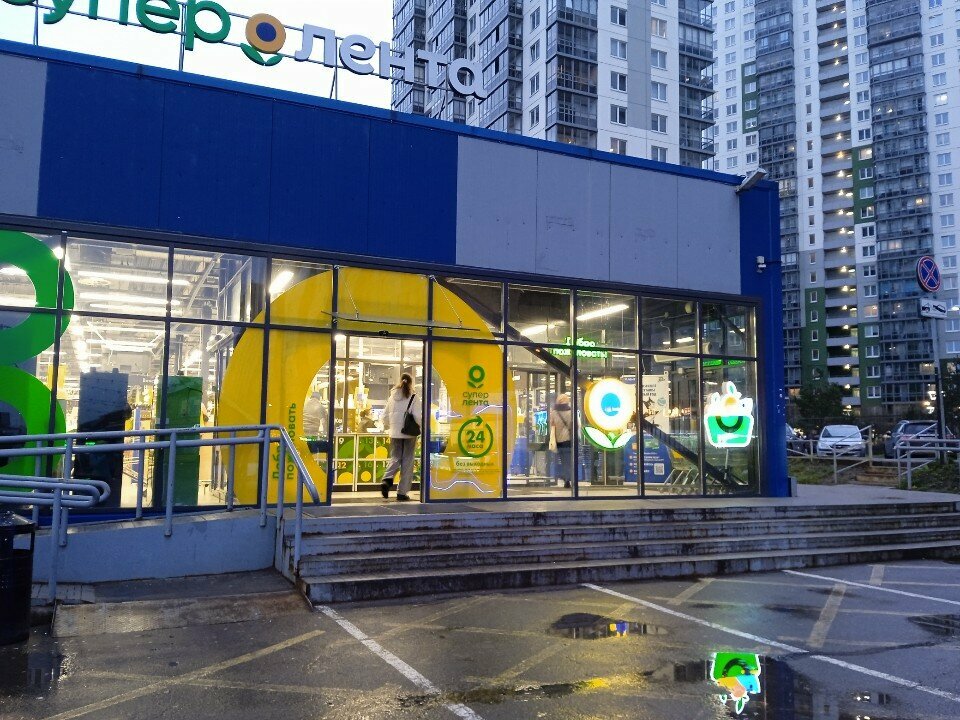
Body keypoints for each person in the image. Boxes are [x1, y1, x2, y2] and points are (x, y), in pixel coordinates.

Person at [380, 372, 423, 501]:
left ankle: (387, 479)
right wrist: (422, 427)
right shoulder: (414, 397)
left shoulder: (392, 397)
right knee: (407, 461)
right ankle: (402, 492)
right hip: (409, 434)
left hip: (394, 433)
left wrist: (393, 426)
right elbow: (417, 416)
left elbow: (384, 417)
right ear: (411, 383)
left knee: (395, 457)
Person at [551, 392, 573, 488]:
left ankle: (565, 477)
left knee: (563, 461)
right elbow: (575, 425)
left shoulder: (554, 412)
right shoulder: (571, 412)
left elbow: (552, 425)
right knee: (569, 461)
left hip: (558, 441)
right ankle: (568, 479)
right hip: (568, 440)